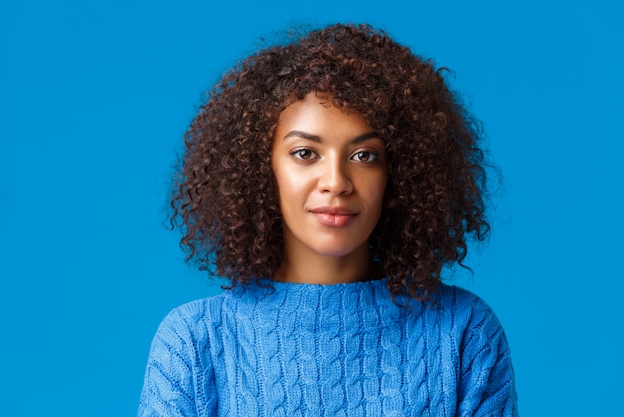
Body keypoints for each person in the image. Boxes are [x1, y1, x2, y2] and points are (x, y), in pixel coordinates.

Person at [138, 23, 518, 416]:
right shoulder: (195, 341)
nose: (336, 183)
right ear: (260, 168)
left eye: (364, 155)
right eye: (305, 153)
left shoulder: (464, 332)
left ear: (399, 174)